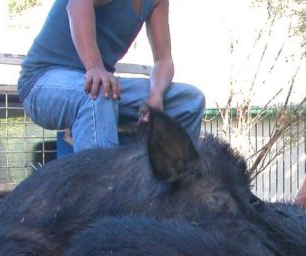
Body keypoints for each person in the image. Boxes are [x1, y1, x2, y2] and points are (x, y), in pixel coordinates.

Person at [17, 0, 206, 153]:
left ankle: (170, 188)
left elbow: (163, 60)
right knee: (98, 92)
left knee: (189, 101)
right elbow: (76, 5)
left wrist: (156, 95)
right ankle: (102, 194)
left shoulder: (156, 2)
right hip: (42, 83)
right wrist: (95, 67)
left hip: (101, 86)